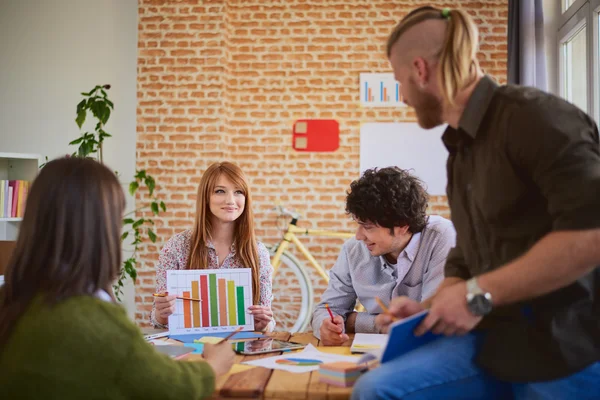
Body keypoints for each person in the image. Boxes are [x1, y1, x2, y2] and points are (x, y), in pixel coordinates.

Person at [352, 6, 600, 400]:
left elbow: (590, 234)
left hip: (563, 347)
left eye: (399, 81)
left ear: (420, 70)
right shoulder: (461, 149)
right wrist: (430, 309)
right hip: (493, 342)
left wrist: (475, 295)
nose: (401, 95)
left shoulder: (535, 118)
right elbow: (467, 257)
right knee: (377, 389)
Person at [0, 157, 235, 399]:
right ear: (100, 227)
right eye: (117, 218)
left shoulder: (12, 299)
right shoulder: (93, 319)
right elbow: (168, 387)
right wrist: (213, 365)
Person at [311, 167, 455, 345]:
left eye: (368, 227)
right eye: (358, 224)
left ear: (402, 225)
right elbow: (326, 309)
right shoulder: (353, 250)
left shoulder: (441, 238)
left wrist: (355, 322)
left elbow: (431, 321)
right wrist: (325, 326)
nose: (358, 236)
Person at [151, 161, 275, 332]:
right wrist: (161, 313)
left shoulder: (258, 252)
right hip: (189, 350)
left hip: (241, 350)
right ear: (205, 198)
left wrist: (264, 324)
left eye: (238, 192)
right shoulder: (177, 246)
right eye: (220, 191)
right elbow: (158, 321)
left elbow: (267, 323)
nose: (231, 200)